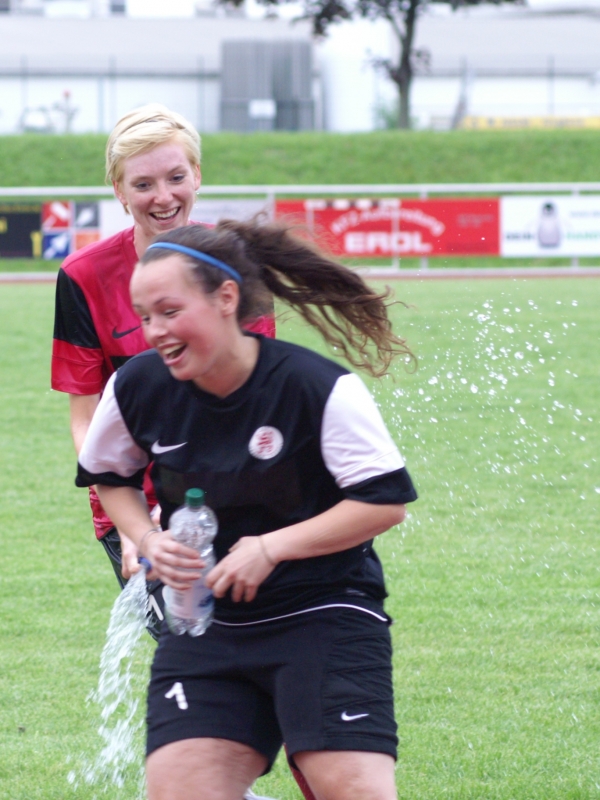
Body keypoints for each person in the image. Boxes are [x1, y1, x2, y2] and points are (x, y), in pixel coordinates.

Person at [75, 219, 418, 800]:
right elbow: (111, 476)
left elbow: (384, 503)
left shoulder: (317, 387)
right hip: (206, 625)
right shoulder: (136, 386)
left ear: (226, 298)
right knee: (179, 789)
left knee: (352, 788)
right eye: (144, 315)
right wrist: (143, 535)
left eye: (169, 310)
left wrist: (271, 547)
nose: (154, 330)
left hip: (324, 613)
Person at [51, 104, 276, 637]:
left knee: (248, 651)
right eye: (143, 183)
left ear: (197, 175)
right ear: (119, 190)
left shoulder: (236, 265)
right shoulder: (82, 277)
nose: (164, 196)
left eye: (177, 177)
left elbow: (254, 402)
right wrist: (137, 523)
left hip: (231, 489)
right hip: (131, 507)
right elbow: (87, 417)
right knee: (195, 652)